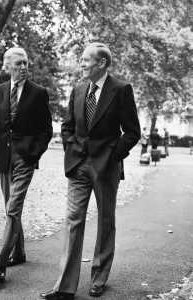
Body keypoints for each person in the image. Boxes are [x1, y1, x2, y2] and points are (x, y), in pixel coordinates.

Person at [40, 42, 140, 300]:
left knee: (106, 222)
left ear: (102, 63)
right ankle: (64, 287)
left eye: (86, 60)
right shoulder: (78, 89)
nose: (82, 64)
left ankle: (99, 278)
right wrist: (70, 149)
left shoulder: (121, 90)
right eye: (82, 60)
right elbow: (67, 127)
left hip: (106, 167)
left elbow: (132, 132)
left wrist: (113, 156)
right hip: (78, 165)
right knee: (73, 221)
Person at [0, 47, 53, 283]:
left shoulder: (39, 93)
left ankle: (1, 263)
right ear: (7, 67)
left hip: (25, 160)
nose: (24, 67)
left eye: (26, 62)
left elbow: (46, 130)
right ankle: (20, 252)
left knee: (12, 208)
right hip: (4, 158)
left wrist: (33, 154)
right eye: (18, 64)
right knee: (11, 209)